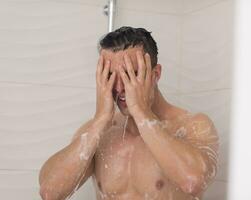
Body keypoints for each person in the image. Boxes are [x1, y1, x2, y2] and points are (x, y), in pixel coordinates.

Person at [39, 26, 219, 200]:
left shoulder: (192, 125)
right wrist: (100, 120)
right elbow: (50, 193)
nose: (119, 88)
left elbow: (192, 182)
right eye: (110, 76)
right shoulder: (98, 132)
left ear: (155, 74)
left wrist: (142, 114)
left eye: (130, 75)